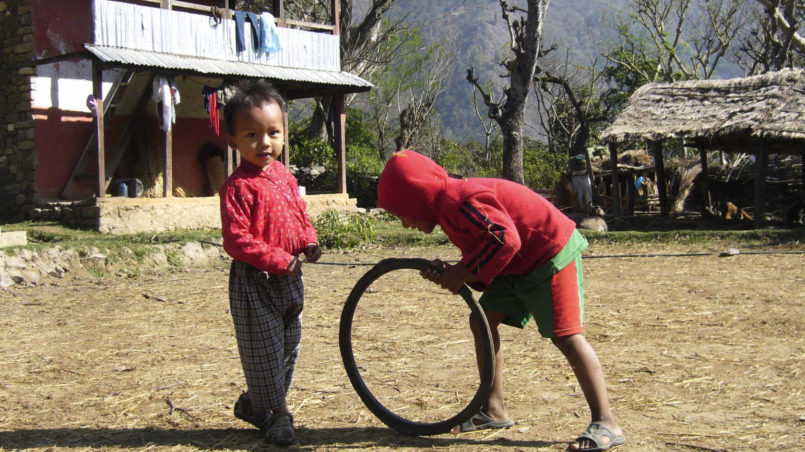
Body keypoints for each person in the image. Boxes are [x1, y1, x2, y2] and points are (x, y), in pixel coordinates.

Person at [377, 150, 625, 452]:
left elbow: (505, 239)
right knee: (482, 321)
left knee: (566, 336)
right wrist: (455, 273)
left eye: (401, 213)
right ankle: (493, 410)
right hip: (518, 264)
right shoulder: (446, 210)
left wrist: (462, 273)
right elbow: (486, 249)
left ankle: (606, 422)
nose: (404, 224)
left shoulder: (459, 199)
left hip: (550, 252)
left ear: (417, 197)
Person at [219, 80, 322, 446]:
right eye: (252, 135)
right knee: (262, 351)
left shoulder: (284, 177)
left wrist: (309, 242)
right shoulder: (237, 187)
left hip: (290, 278)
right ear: (232, 139)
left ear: (284, 133)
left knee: (288, 345)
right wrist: (278, 259)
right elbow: (237, 240)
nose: (264, 142)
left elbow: (300, 216)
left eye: (273, 133)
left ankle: (255, 403)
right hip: (255, 281)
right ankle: (278, 414)